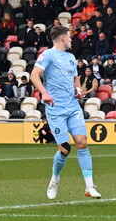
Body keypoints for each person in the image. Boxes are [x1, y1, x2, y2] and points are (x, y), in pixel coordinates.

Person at [30, 24, 100, 200]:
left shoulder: (71, 57)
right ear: (62, 38)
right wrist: (44, 92)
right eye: (69, 36)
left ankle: (90, 186)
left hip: (73, 107)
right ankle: (55, 180)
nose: (71, 39)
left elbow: (75, 79)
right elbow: (34, 75)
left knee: (82, 143)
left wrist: (78, 89)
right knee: (65, 149)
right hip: (56, 109)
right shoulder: (48, 55)